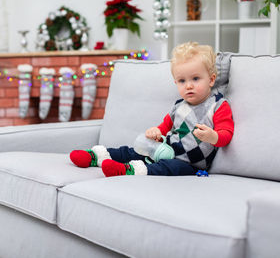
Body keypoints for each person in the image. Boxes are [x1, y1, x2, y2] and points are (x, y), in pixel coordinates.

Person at [70, 42, 234, 177]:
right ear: (176, 83)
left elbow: (226, 134)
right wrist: (156, 132)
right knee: (134, 151)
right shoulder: (179, 105)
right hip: (165, 149)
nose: (189, 85)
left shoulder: (218, 105)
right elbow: (164, 128)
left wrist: (212, 136)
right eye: (182, 81)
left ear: (211, 80)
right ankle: (96, 156)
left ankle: (129, 171)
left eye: (196, 78)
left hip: (189, 164)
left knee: (169, 167)